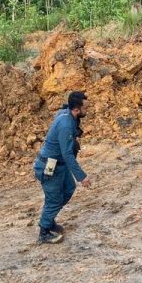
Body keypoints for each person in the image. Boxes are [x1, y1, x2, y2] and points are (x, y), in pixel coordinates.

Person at [33, 91, 93, 244]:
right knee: (54, 200)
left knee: (69, 188)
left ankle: (49, 220)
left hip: (60, 165)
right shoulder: (66, 125)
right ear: (76, 110)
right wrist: (82, 177)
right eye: (85, 108)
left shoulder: (67, 113)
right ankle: (44, 232)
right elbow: (67, 154)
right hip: (49, 167)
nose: (87, 111)